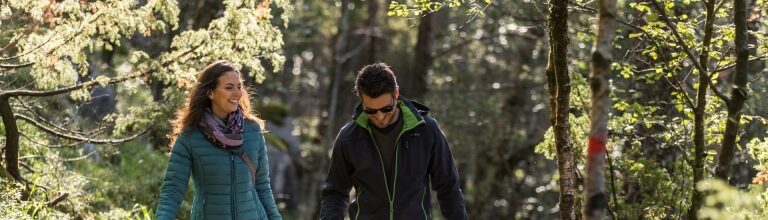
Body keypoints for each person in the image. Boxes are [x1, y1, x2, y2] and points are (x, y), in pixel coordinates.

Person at [320, 63, 468, 220]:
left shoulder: (427, 131)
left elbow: (448, 187)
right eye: (370, 111)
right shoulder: (349, 138)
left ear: (396, 93)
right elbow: (335, 194)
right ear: (361, 100)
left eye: (386, 109)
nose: (379, 117)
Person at [156, 60, 281, 220]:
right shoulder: (190, 137)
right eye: (229, 88)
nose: (237, 93)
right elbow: (173, 190)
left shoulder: (253, 131)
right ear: (210, 93)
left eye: (239, 87)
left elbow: (262, 186)